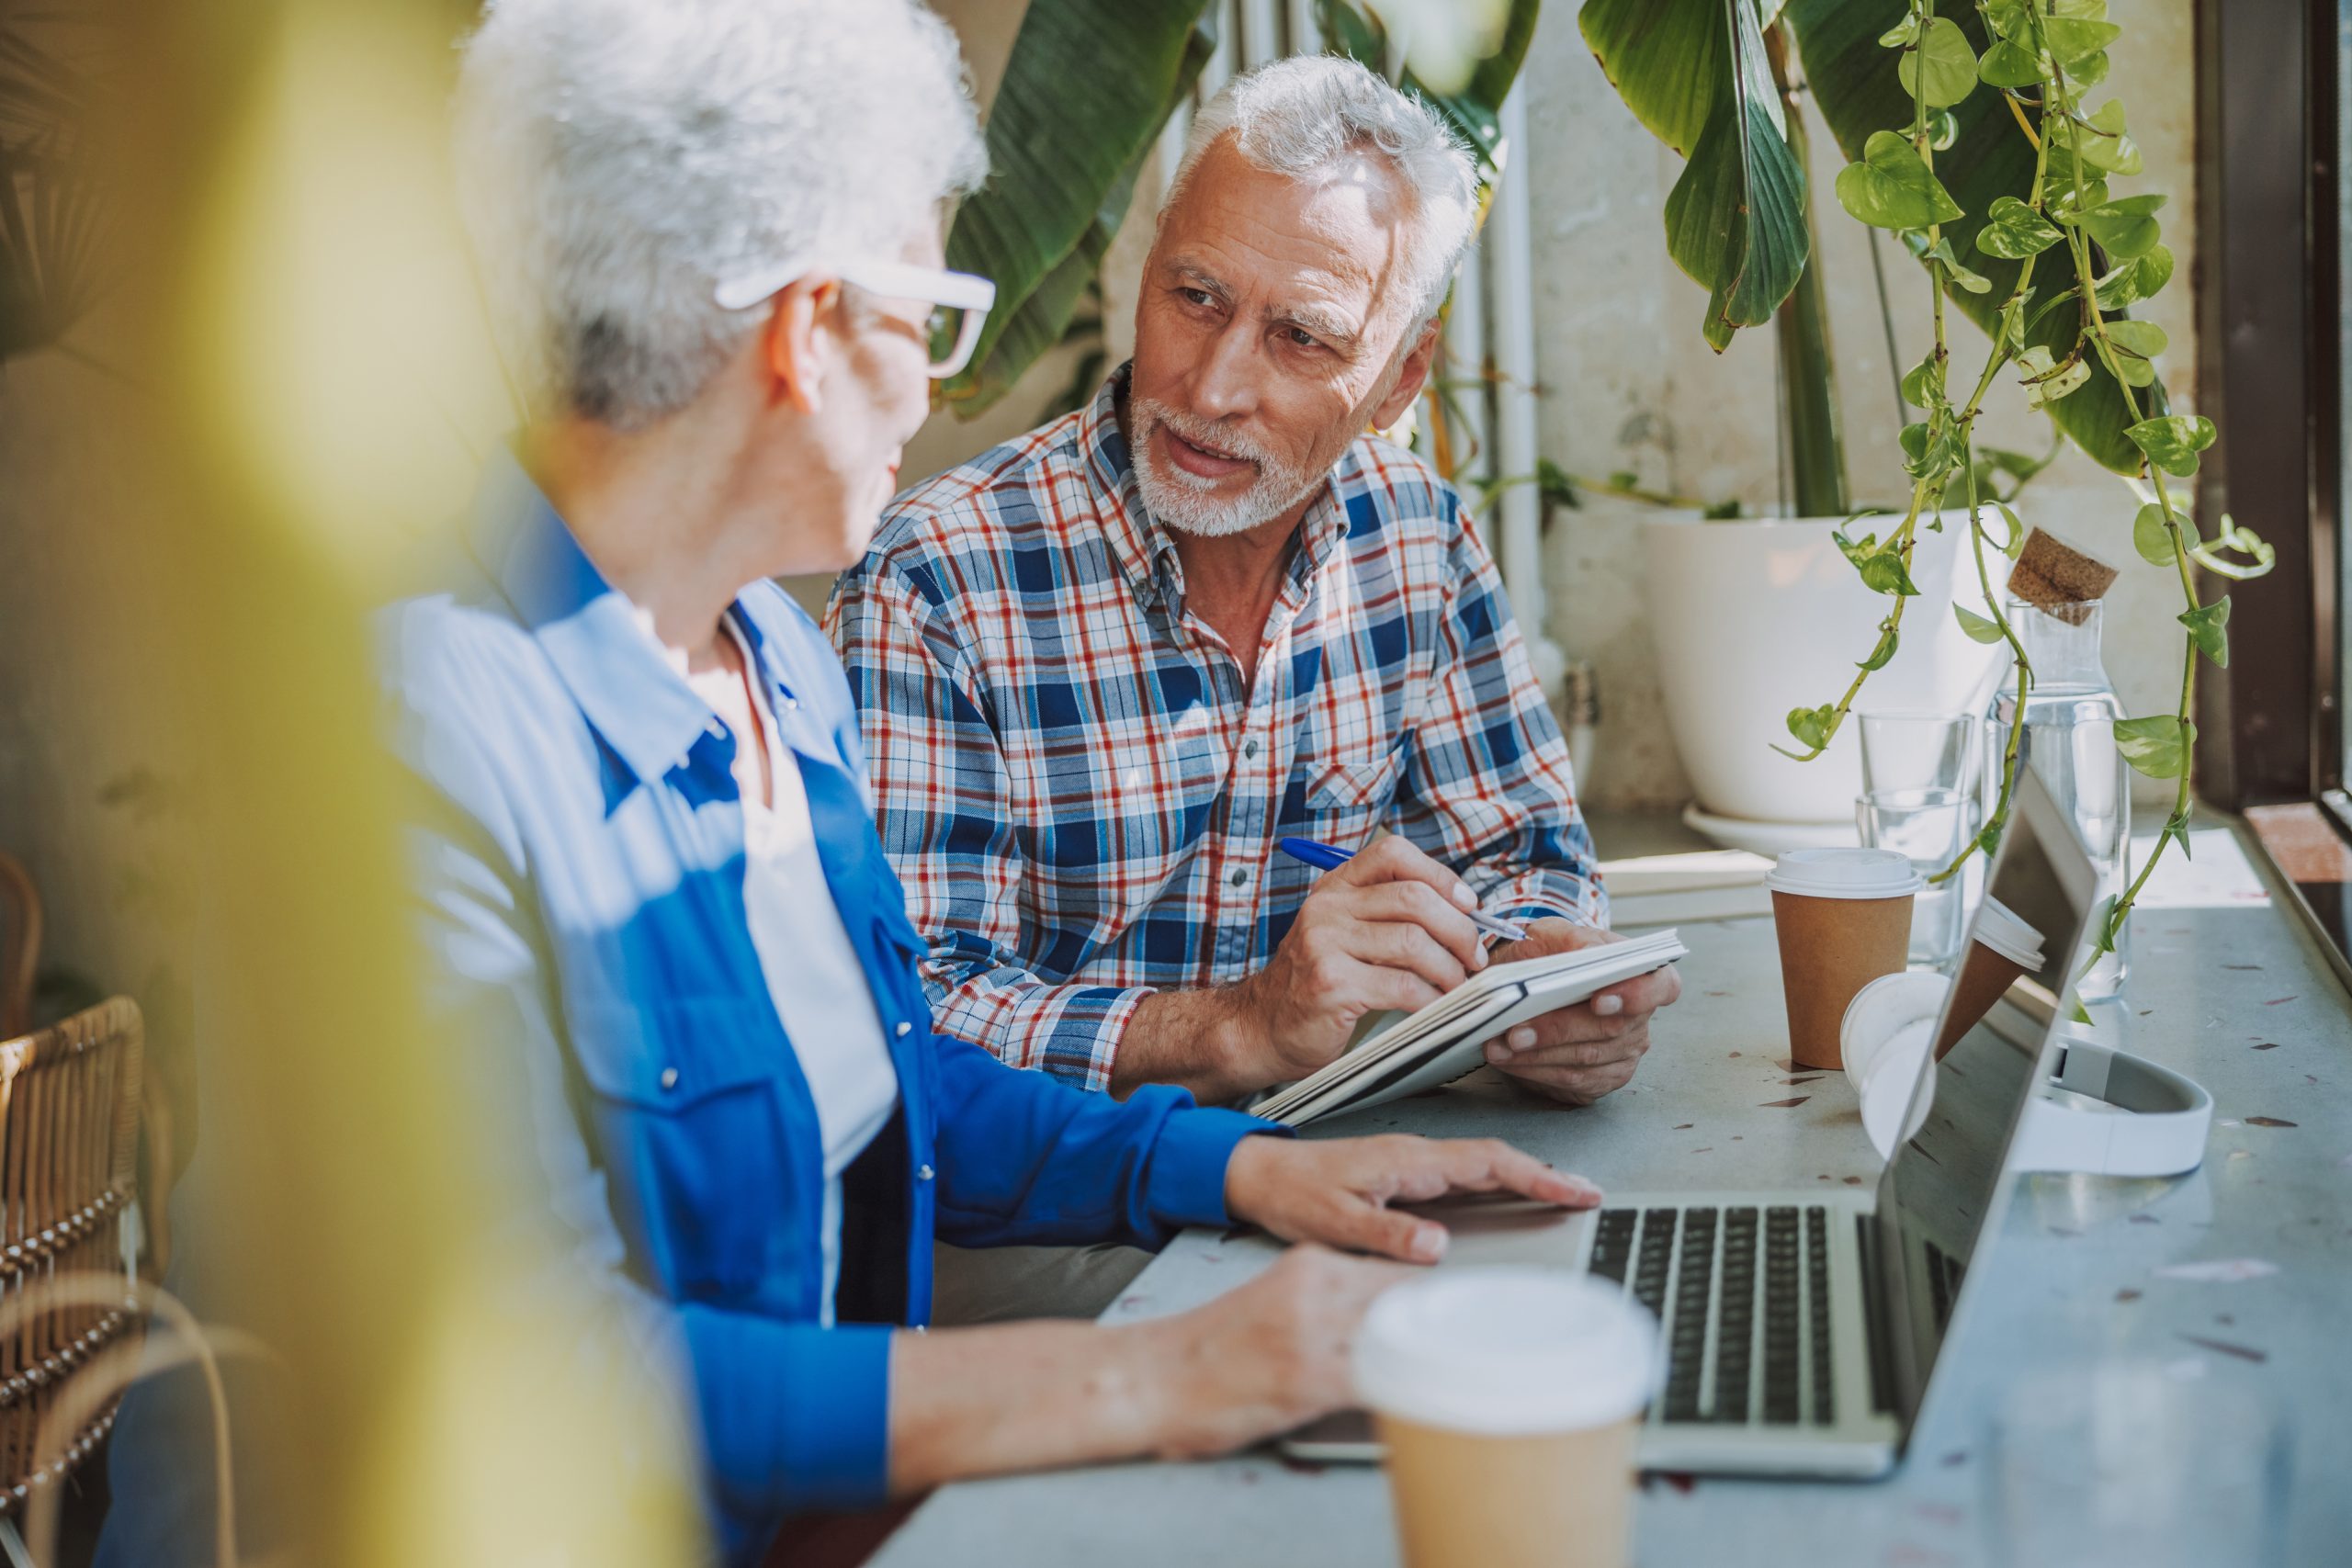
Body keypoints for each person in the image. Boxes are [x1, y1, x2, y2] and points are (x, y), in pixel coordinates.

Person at [379, 4, 1604, 1561]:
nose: (934, 393)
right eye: (937, 310)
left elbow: (907, 1085)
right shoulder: (425, 743)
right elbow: (523, 1385)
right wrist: (1147, 1370)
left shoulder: (768, 659)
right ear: (804, 329)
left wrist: (1252, 1164)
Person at [828, 56, 1681, 1122]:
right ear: (1145, 272)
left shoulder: (1419, 537)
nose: (1212, 386)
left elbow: (1525, 855)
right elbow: (905, 1003)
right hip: (1046, 1216)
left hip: (1346, 1153)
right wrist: (1241, 1025)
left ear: (1398, 381)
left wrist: (1542, 989)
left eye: (1301, 337)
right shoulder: (935, 577)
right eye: (1195, 297)